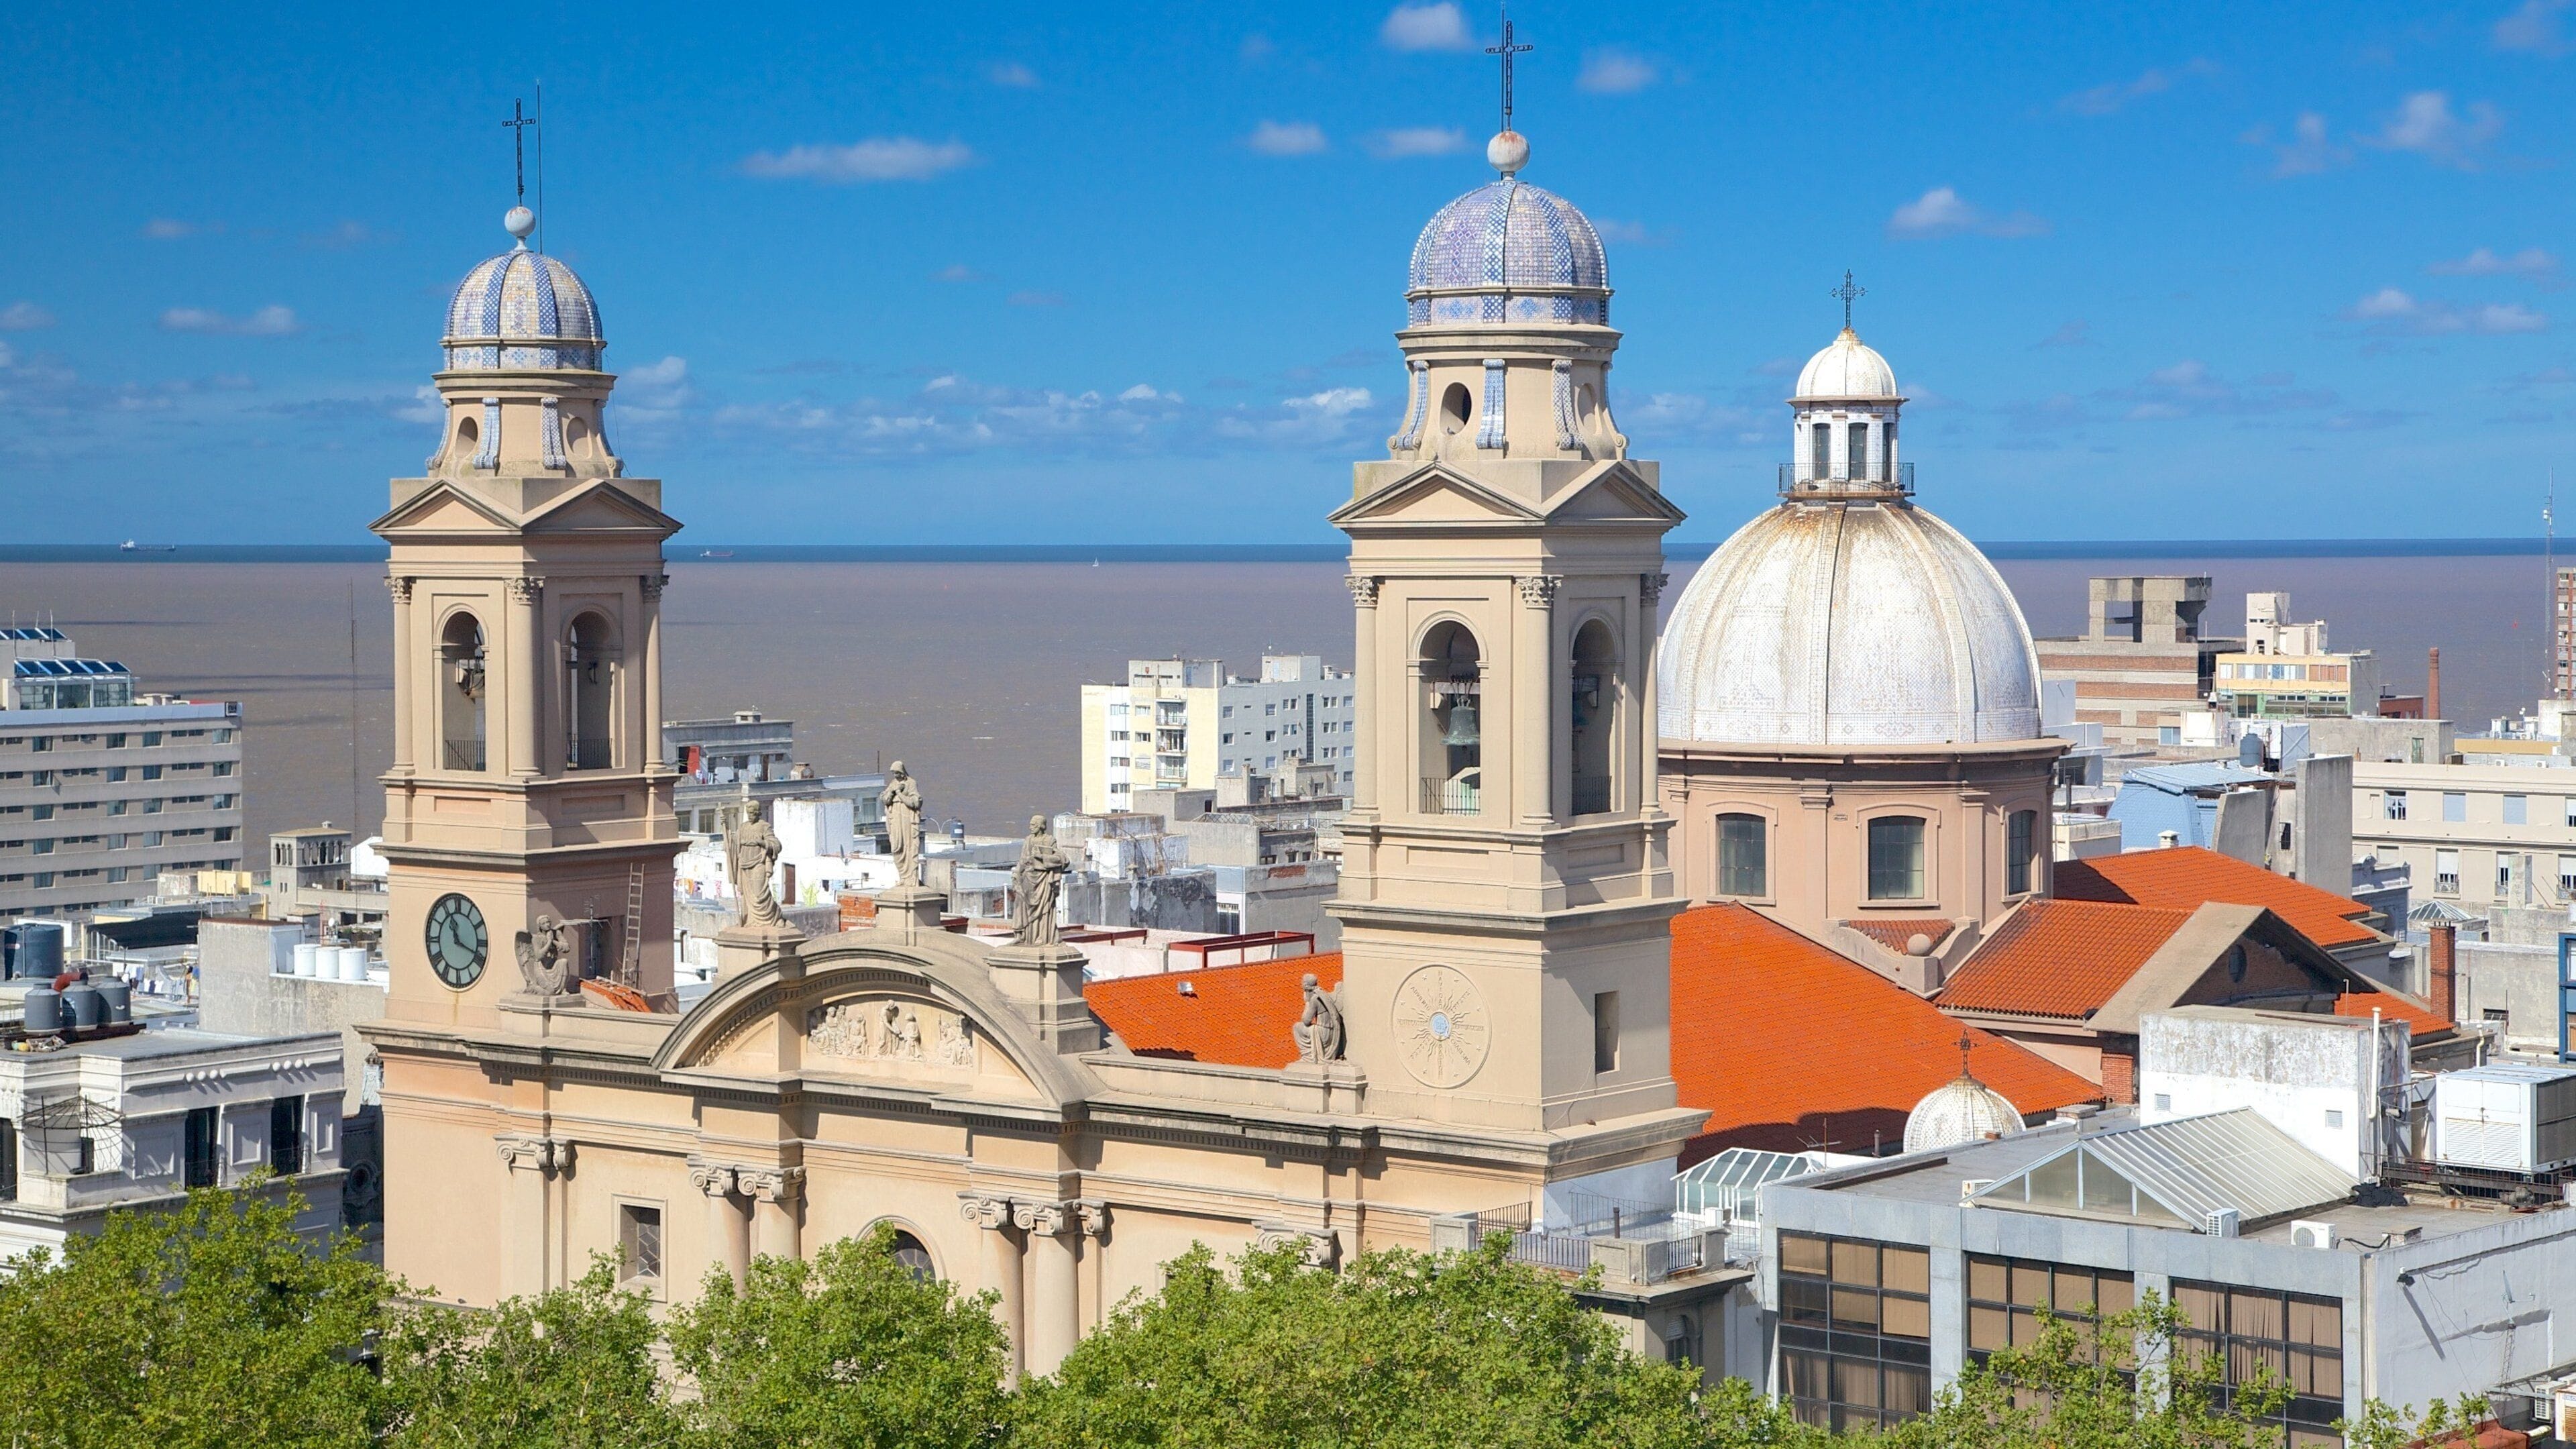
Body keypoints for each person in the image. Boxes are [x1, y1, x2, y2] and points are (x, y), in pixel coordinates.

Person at [1010, 814, 1071, 947]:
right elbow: (1022, 859)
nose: (1030, 827)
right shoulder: (1028, 840)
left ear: (1041, 826)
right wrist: (1017, 873)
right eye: (1031, 824)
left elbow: (1063, 859)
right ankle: (1021, 935)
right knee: (1020, 904)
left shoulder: (1049, 840)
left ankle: (1042, 937)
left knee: (1044, 909)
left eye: (1034, 825)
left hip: (1043, 880)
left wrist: (1041, 856)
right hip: (1028, 877)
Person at [727, 798, 787, 928]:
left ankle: (775, 917)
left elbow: (776, 844)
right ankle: (750, 920)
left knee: (760, 894)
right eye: (748, 813)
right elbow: (734, 843)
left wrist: (762, 843)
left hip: (759, 862)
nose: (750, 816)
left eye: (753, 813)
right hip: (744, 864)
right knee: (747, 896)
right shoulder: (743, 827)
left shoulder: (764, 826)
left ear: (758, 813)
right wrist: (726, 835)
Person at [881, 761, 924, 888]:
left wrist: (900, 794)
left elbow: (915, 803)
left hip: (906, 819)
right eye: (893, 773)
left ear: (902, 772)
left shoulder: (911, 783)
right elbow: (884, 799)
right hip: (895, 818)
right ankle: (903, 877)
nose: (895, 776)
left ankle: (910, 878)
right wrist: (892, 792)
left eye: (897, 773)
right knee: (896, 847)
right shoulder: (893, 784)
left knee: (908, 846)